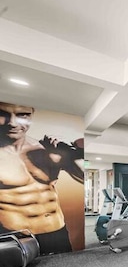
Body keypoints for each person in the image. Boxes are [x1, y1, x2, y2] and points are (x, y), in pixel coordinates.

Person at [0, 102, 83, 255]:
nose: (12, 122)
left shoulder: (45, 148)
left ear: (32, 113)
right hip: (16, 237)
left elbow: (84, 178)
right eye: (2, 114)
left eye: (22, 115)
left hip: (56, 232)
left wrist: (69, 153)